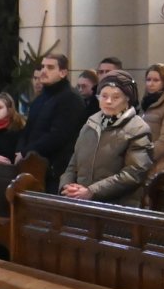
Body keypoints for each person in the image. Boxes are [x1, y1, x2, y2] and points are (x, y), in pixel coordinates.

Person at [60, 71, 155, 202]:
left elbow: (134, 173)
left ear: (127, 99)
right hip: (82, 202)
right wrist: (67, 186)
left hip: (118, 206)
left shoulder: (138, 129)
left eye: (116, 97)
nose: (108, 101)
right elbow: (73, 165)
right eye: (104, 96)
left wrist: (91, 191)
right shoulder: (90, 125)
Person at [18, 53, 87, 177]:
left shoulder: (71, 98)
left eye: (50, 67)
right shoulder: (40, 99)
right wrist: (20, 151)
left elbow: (57, 136)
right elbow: (28, 130)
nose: (43, 71)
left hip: (55, 169)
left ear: (63, 73)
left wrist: (25, 152)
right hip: (33, 165)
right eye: (43, 66)